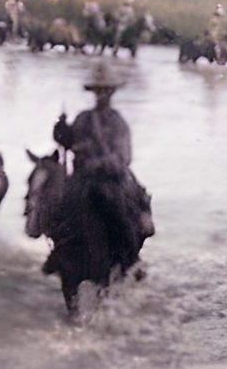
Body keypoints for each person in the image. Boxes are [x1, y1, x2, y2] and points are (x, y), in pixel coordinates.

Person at [53, 63, 154, 264]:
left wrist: (98, 163)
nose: (101, 95)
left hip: (110, 181)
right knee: (57, 205)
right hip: (81, 178)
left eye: (105, 91)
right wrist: (60, 129)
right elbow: (68, 142)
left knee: (118, 211)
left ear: (112, 93)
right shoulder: (83, 117)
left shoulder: (118, 122)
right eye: (98, 91)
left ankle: (130, 257)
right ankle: (58, 251)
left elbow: (123, 157)